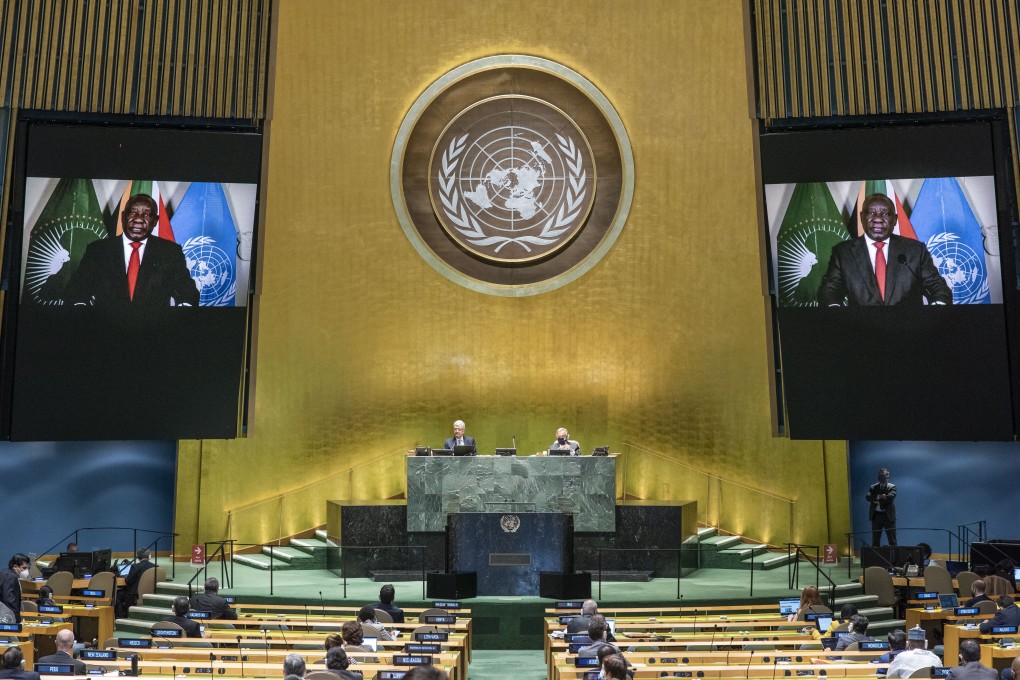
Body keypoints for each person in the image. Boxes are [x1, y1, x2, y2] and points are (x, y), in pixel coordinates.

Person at [818, 193, 953, 307]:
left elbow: (937, 287)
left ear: (895, 219)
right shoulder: (843, 252)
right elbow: (830, 290)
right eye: (871, 213)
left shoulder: (916, 250)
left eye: (886, 214)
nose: (878, 219)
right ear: (861, 217)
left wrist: (937, 308)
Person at [65, 193, 199, 308]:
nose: (138, 219)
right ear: (123, 216)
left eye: (146, 214)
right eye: (133, 212)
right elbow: (76, 289)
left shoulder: (170, 252)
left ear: (155, 221)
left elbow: (187, 291)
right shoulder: (98, 250)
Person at [118, 549, 155, 617]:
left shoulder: (135, 567)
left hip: (134, 594)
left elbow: (128, 581)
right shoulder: (155, 567)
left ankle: (122, 618)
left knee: (117, 596)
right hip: (150, 592)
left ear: (138, 557)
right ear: (149, 556)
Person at [866, 468, 897, 547]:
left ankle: (895, 558)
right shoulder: (873, 487)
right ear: (878, 476)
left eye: (886, 475)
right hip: (876, 516)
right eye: (882, 475)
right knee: (875, 539)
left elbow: (890, 497)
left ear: (888, 477)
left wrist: (875, 498)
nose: (884, 476)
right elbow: (868, 497)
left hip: (888, 516)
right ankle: (876, 558)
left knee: (892, 540)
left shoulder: (892, 487)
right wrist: (880, 496)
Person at [0, 554, 30, 624]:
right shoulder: (11, 577)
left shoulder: (4, 572)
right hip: (7, 617)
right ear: (15, 566)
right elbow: (9, 600)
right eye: (24, 568)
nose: (26, 571)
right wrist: (17, 620)